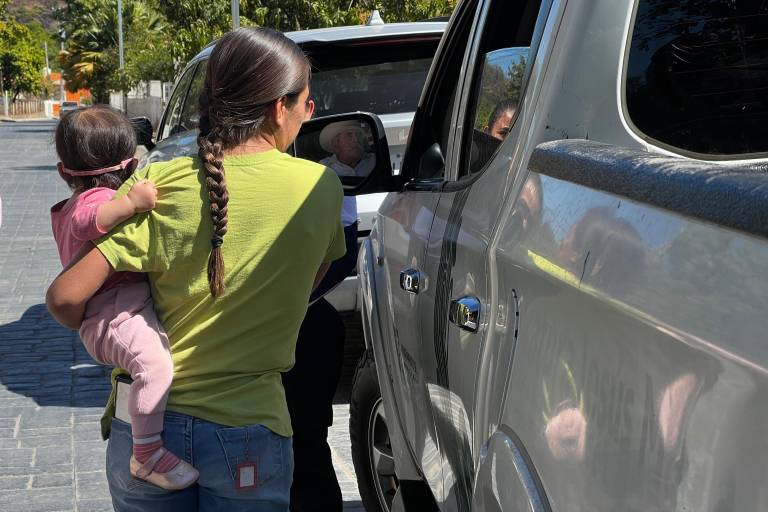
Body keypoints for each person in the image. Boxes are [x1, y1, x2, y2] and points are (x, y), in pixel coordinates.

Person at [46, 27, 345, 511]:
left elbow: (64, 297)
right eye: (307, 103)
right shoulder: (320, 189)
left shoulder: (158, 183)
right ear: (277, 107)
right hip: (249, 428)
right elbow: (307, 285)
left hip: (144, 429)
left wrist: (112, 333)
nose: (309, 114)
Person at [51, 106, 198, 490]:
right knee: (155, 368)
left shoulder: (77, 200)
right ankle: (146, 454)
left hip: (115, 312)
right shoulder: (92, 202)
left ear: (64, 172)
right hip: (112, 313)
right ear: (133, 163)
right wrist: (131, 204)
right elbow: (90, 220)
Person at [281, 123, 367, 512]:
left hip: (304, 330)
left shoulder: (172, 179)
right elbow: (344, 255)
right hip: (306, 328)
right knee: (307, 443)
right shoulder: (321, 180)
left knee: (305, 443)